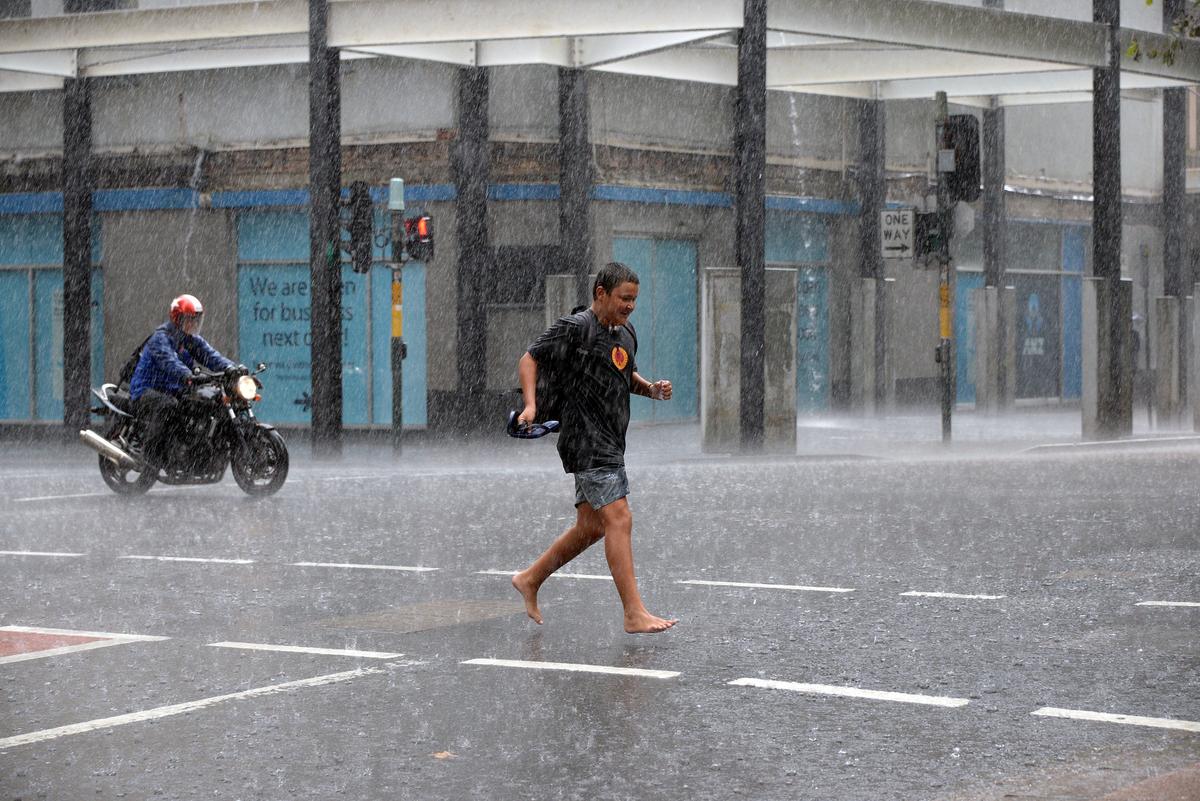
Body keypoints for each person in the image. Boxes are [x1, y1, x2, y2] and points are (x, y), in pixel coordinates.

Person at [511, 262, 678, 634]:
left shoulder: (625, 333)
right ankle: (633, 612)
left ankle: (530, 579)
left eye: (634, 299)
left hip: (611, 439)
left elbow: (622, 373)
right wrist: (531, 405)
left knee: (591, 526)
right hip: (585, 439)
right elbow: (530, 358)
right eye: (624, 298)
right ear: (600, 293)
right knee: (619, 517)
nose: (630, 305)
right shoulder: (575, 327)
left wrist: (649, 388)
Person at [129, 293, 236, 466]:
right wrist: (188, 374)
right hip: (146, 390)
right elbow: (169, 361)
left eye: (196, 320)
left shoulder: (189, 340)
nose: (194, 324)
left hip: (174, 389)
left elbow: (210, 355)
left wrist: (232, 368)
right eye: (190, 319)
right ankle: (149, 455)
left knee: (204, 402)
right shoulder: (160, 338)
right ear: (177, 319)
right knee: (168, 405)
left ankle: (191, 448)